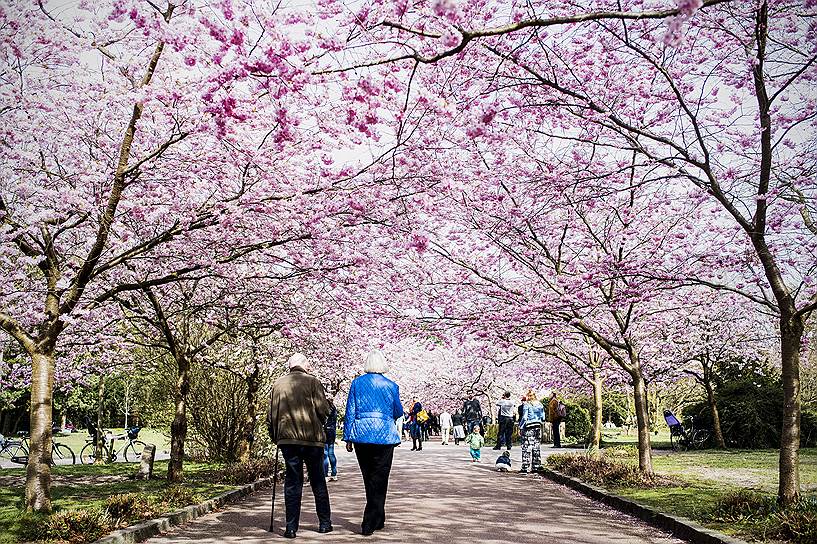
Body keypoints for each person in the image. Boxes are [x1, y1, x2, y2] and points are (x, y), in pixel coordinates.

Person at [267, 353, 332, 538]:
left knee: (292, 482)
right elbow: (323, 410)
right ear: (304, 365)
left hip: (288, 441)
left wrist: (276, 437)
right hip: (312, 440)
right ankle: (325, 524)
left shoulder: (277, 384)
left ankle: (291, 528)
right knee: (318, 480)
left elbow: (271, 415)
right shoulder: (313, 382)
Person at [343, 349, 404, 536]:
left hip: (362, 434)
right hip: (384, 436)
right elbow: (398, 411)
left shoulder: (356, 383)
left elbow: (350, 411)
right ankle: (369, 521)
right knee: (380, 478)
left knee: (368, 477)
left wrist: (348, 437)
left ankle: (378, 516)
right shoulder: (391, 386)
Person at [518, 389, 545, 473]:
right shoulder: (540, 405)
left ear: (528, 397)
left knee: (526, 447)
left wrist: (520, 427)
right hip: (537, 426)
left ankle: (525, 467)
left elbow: (525, 417)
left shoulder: (527, 405)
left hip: (528, 427)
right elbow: (543, 417)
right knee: (536, 446)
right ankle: (536, 466)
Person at [324, 394, 338, 481]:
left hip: (324, 432)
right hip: (332, 432)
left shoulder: (324, 410)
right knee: (331, 453)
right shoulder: (334, 410)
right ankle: (334, 473)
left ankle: (325, 474)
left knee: (325, 454)